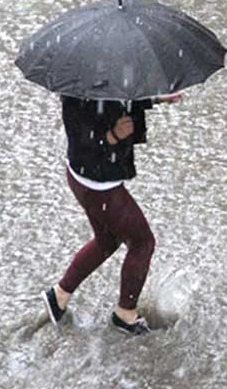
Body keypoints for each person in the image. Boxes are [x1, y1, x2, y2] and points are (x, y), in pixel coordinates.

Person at [41, 91, 182, 336]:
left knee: (107, 241)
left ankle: (60, 295)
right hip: (98, 185)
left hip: (84, 177)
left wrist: (155, 98)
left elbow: (119, 97)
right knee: (142, 242)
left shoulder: (100, 81)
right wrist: (113, 136)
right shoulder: (78, 94)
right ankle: (125, 314)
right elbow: (84, 140)